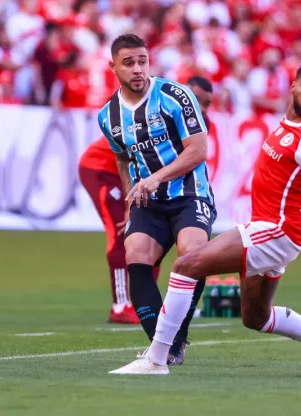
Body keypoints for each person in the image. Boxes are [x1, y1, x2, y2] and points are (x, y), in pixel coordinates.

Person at [109, 59, 301, 377]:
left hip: (276, 231)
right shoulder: (288, 125)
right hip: (274, 230)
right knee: (255, 317)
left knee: (185, 265)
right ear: (293, 86)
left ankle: (156, 359)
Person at [96, 34, 216, 366]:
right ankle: (166, 346)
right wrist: (129, 201)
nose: (137, 69)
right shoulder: (109, 116)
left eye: (142, 61)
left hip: (189, 193)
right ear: (113, 67)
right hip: (149, 202)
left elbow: (199, 150)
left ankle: (175, 339)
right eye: (128, 63)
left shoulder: (176, 95)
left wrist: (156, 177)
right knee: (134, 254)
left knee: (193, 253)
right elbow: (122, 159)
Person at [78, 75, 214, 334]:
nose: (203, 109)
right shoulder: (160, 105)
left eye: (207, 104)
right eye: (200, 101)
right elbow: (122, 159)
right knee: (122, 235)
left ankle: (150, 306)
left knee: (155, 242)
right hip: (101, 170)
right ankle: (121, 305)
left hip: (150, 184)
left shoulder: (189, 117)